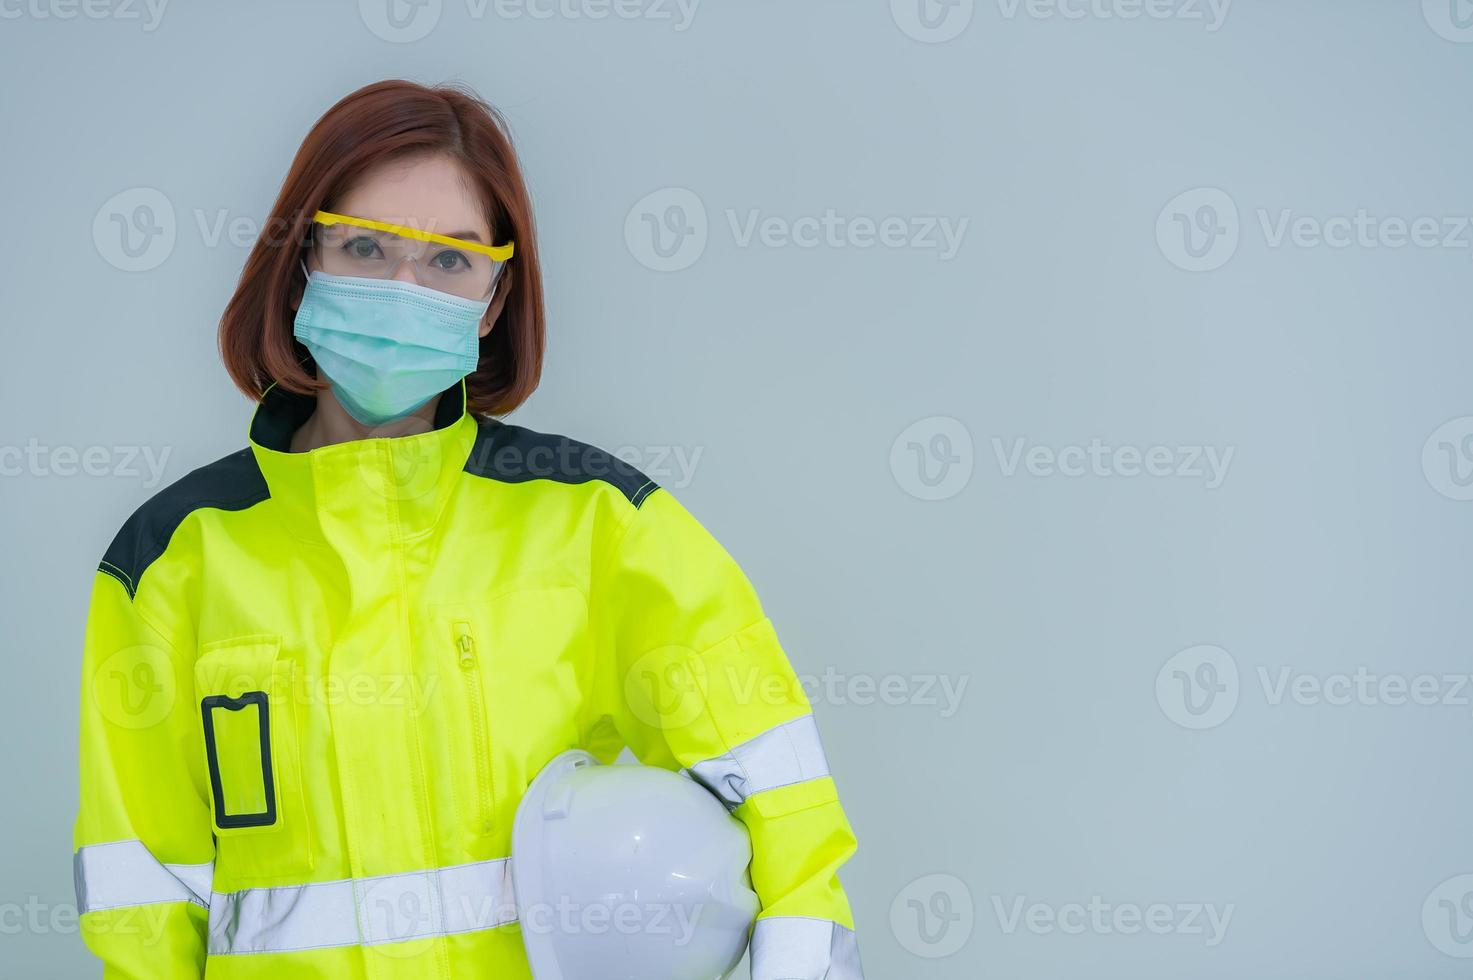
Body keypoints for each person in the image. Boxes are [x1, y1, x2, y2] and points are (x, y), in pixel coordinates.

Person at [71, 79, 864, 978]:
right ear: (302, 262)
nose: (404, 288)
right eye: (365, 247)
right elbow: (141, 896)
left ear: (491, 301)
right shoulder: (172, 559)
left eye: (449, 262)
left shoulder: (597, 522)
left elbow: (787, 814)